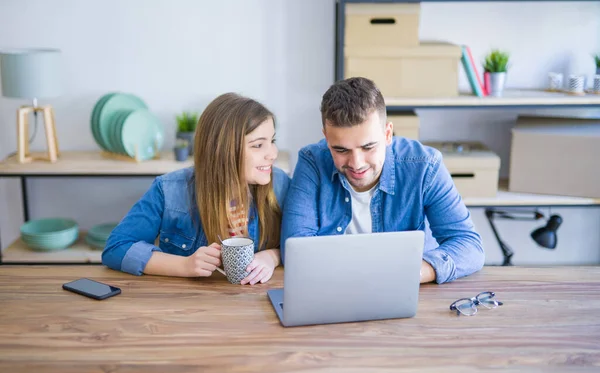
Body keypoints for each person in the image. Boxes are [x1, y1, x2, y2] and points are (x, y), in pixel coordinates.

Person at [280, 77, 484, 284]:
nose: (356, 163)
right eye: (341, 149)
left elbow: (469, 245)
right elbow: (294, 250)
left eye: (368, 147)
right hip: (333, 289)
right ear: (326, 138)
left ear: (387, 134)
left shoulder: (425, 165)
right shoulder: (312, 161)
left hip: (407, 289)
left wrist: (412, 273)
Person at [103, 93, 289, 285]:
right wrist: (184, 265)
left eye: (272, 141)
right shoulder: (169, 190)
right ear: (222, 150)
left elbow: (303, 242)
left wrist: (272, 256)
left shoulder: (280, 184)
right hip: (190, 305)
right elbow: (116, 248)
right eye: (258, 145)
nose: (272, 154)